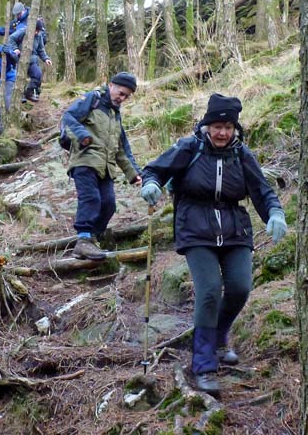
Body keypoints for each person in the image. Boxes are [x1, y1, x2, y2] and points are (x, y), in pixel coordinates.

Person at [140, 93, 288, 396]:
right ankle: (204, 365)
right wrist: (152, 183)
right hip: (195, 228)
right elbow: (155, 169)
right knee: (209, 291)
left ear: (235, 129)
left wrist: (275, 212)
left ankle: (219, 338)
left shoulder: (242, 154)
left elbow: (262, 190)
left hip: (235, 229)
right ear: (207, 125)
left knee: (240, 287)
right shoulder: (189, 147)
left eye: (228, 127)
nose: (222, 133)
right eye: (217, 126)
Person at [61, 72, 142, 260]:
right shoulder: (93, 99)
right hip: (84, 161)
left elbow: (122, 149)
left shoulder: (115, 114)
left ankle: (92, 240)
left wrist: (134, 174)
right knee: (91, 199)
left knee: (109, 204)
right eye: (121, 93)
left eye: (126, 96)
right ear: (111, 85)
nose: (122, 98)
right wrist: (82, 136)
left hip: (106, 167)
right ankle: (83, 240)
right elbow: (68, 117)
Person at [21, 19, 52, 103]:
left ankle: (28, 93)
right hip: (20, 60)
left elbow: (41, 49)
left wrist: (46, 58)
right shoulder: (22, 32)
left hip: (33, 60)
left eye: (38, 31)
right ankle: (20, 96)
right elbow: (12, 40)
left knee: (37, 75)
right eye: (36, 30)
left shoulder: (39, 36)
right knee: (20, 77)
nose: (37, 32)